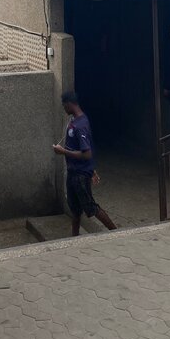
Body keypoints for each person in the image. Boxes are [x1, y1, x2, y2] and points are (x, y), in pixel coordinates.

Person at [53, 91, 117, 236]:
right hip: (73, 172)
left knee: (90, 207)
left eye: (64, 105)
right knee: (75, 209)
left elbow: (87, 153)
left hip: (80, 174)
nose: (64, 108)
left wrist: (63, 152)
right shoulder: (75, 121)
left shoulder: (80, 125)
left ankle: (116, 232)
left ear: (70, 104)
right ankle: (74, 238)